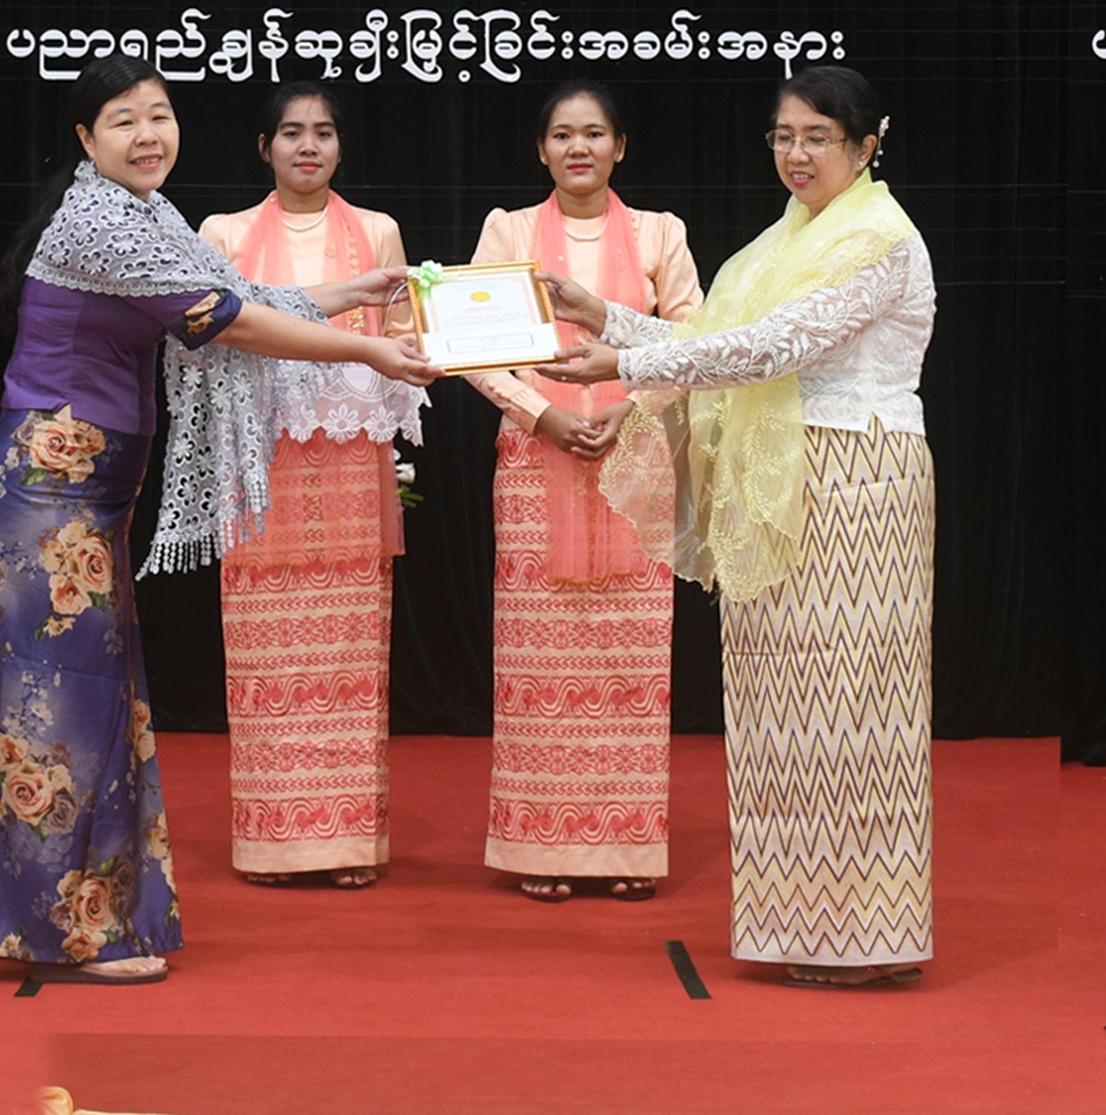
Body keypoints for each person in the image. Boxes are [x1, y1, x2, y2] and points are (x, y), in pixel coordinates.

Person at [0, 56, 437, 985]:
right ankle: (73, 934)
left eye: (160, 115)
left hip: (80, 500)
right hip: (41, 498)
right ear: (85, 139)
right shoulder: (99, 219)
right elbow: (223, 320)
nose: (148, 135)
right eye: (123, 120)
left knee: (85, 710)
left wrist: (352, 295)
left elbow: (240, 298)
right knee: (57, 719)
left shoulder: (147, 213)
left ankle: (62, 923)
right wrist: (368, 351)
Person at [537, 66, 928, 988]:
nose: (796, 153)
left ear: (867, 147)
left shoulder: (877, 237)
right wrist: (607, 315)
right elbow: (712, 334)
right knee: (776, 706)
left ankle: (866, 936)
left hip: (857, 479)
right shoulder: (779, 241)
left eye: (818, 137)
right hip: (774, 483)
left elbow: (772, 348)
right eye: (783, 136)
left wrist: (622, 357)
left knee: (852, 705)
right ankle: (796, 927)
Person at [470, 80, 703, 903]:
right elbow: (476, 346)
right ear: (541, 150)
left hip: (634, 463)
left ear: (620, 147)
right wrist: (542, 415)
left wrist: (630, 406)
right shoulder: (507, 230)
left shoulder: (659, 232)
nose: (579, 147)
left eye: (594, 133)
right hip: (536, 464)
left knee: (629, 656)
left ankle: (625, 847)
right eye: (563, 134)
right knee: (538, 655)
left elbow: (693, 339)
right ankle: (539, 847)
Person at [194, 81, 422, 890]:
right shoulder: (221, 232)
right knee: (265, 646)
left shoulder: (377, 231)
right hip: (260, 465)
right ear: (265, 148)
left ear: (339, 147)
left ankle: (350, 840)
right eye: (291, 133)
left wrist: (420, 351)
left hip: (351, 464)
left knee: (350, 647)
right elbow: (206, 334)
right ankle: (274, 842)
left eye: (323, 132)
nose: (308, 147)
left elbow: (402, 334)